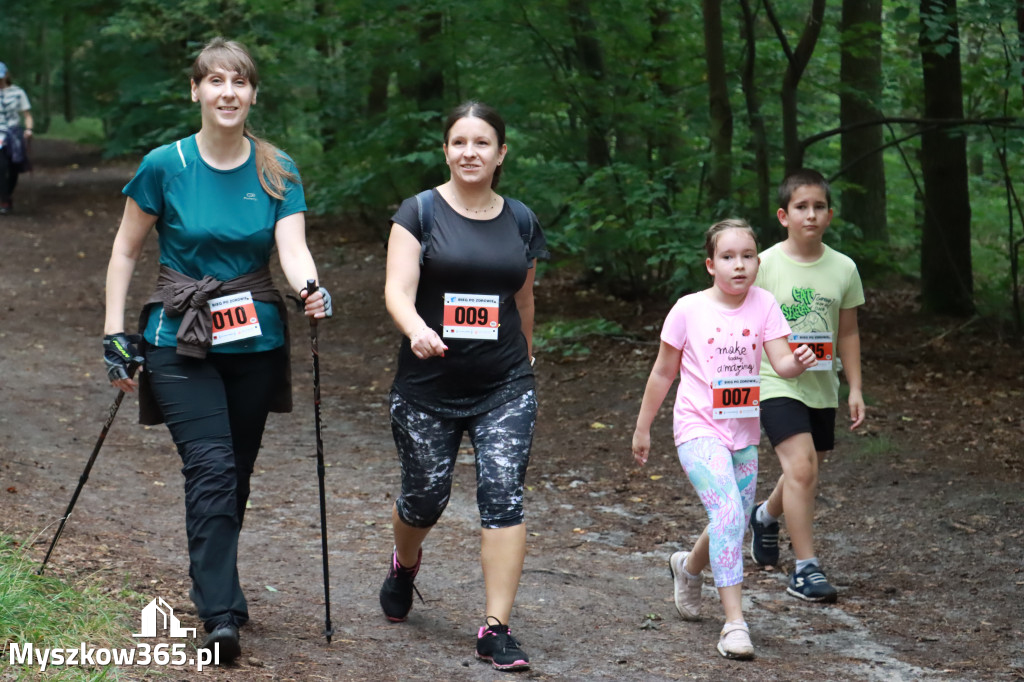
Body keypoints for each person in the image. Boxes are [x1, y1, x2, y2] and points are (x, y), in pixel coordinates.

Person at [101, 37, 331, 664]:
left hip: (254, 337)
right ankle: (220, 612)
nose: (228, 93)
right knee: (210, 467)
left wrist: (311, 288)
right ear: (196, 91)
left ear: (253, 93)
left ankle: (219, 578)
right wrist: (114, 333)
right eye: (215, 81)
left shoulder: (276, 167)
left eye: (240, 82)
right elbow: (125, 250)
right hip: (179, 338)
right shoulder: (164, 165)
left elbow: (292, 248)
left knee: (236, 472)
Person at [379, 100, 548, 672]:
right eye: (459, 142)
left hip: (505, 383)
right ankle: (405, 563)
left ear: (501, 153)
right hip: (427, 385)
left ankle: (495, 628)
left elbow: (522, 297)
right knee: (426, 497)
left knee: (504, 496)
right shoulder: (420, 212)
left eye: (482, 143)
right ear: (446, 150)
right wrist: (417, 329)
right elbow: (397, 290)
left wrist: (527, 353)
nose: (469, 152)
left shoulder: (521, 219)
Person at [632, 219, 818, 660]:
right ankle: (734, 623)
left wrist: (801, 361)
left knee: (727, 518)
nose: (740, 265)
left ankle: (688, 567)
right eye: (729, 257)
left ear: (758, 261)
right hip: (696, 428)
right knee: (731, 513)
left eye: (749, 256)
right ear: (710, 265)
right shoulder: (688, 309)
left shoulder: (765, 305)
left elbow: (781, 363)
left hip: (743, 431)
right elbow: (663, 372)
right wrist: (643, 427)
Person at [748, 168, 865, 603]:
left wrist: (854, 387)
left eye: (818, 207)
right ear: (784, 215)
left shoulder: (844, 268)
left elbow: (848, 332)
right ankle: (805, 569)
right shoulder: (765, 266)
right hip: (773, 379)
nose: (810, 215)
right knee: (801, 470)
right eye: (801, 207)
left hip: (821, 385)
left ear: (829, 215)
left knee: (804, 469)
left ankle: (764, 516)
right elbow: (742, 323)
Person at [0, 61, 33, 215]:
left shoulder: (18, 92)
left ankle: (7, 195)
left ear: (6, 75)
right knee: (2, 166)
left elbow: (27, 115)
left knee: (14, 167)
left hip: (14, 134)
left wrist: (28, 129)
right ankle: (4, 198)